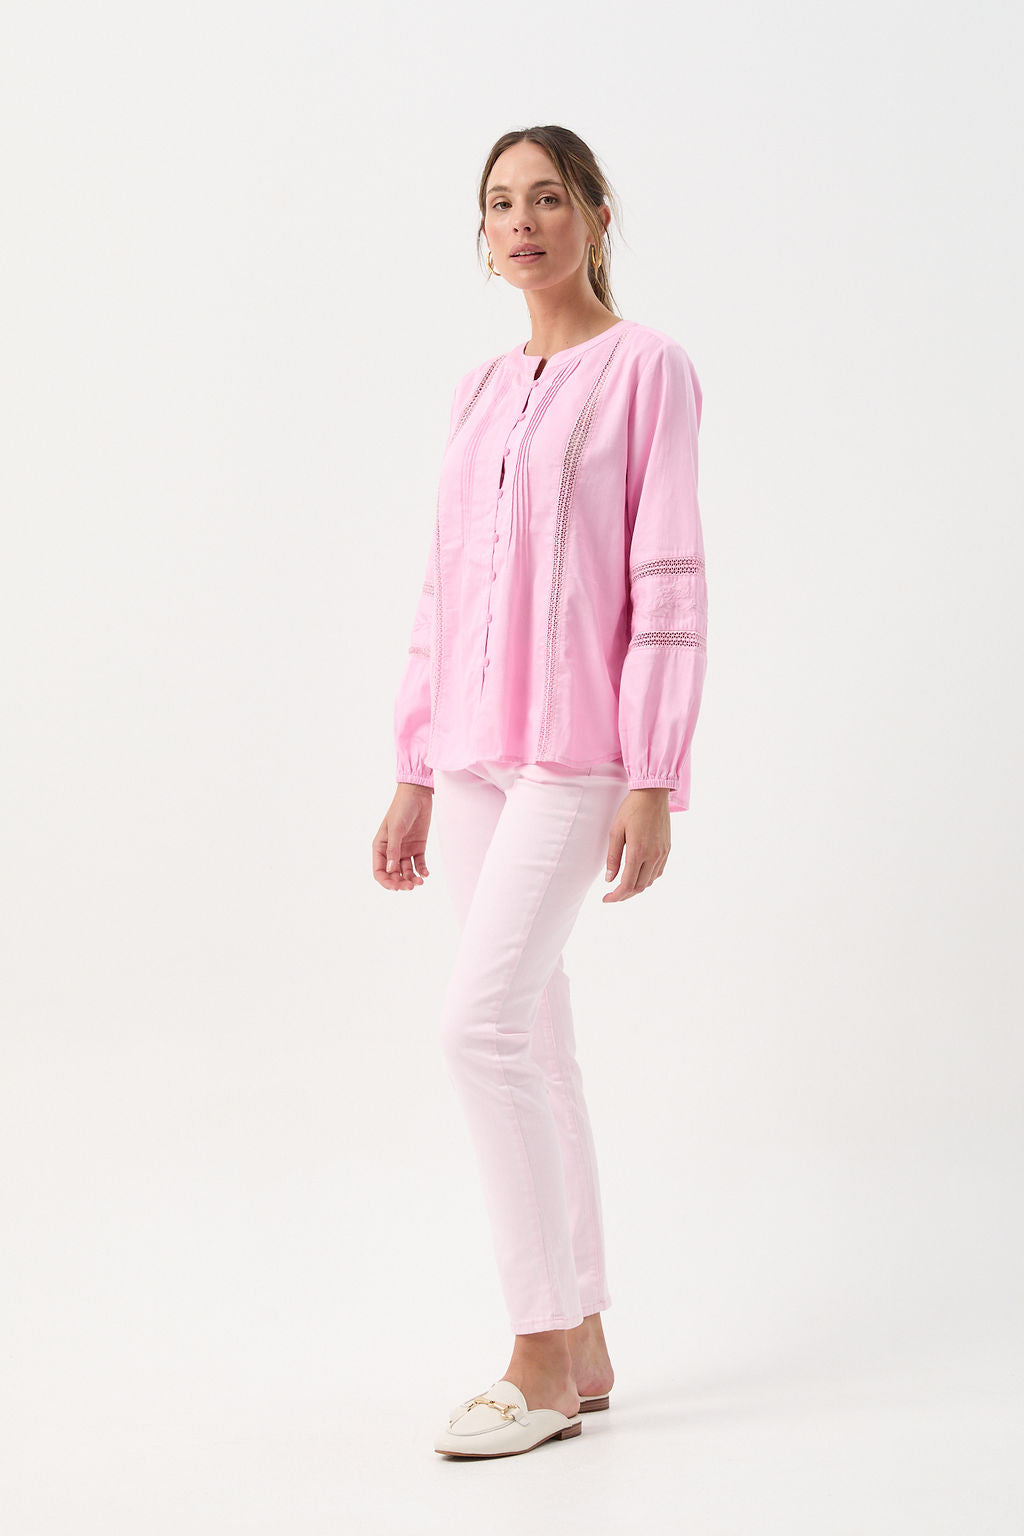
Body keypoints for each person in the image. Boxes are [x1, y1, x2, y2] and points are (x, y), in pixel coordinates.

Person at [372, 125, 709, 1459]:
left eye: (549, 199)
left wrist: (655, 772)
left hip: (577, 753)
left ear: (597, 216)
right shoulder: (476, 389)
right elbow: (442, 583)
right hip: (469, 754)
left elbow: (668, 573)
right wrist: (413, 763)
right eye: (502, 204)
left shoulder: (647, 368)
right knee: (536, 1041)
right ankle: (587, 1338)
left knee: (480, 1031)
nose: (523, 222)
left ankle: (537, 1360)